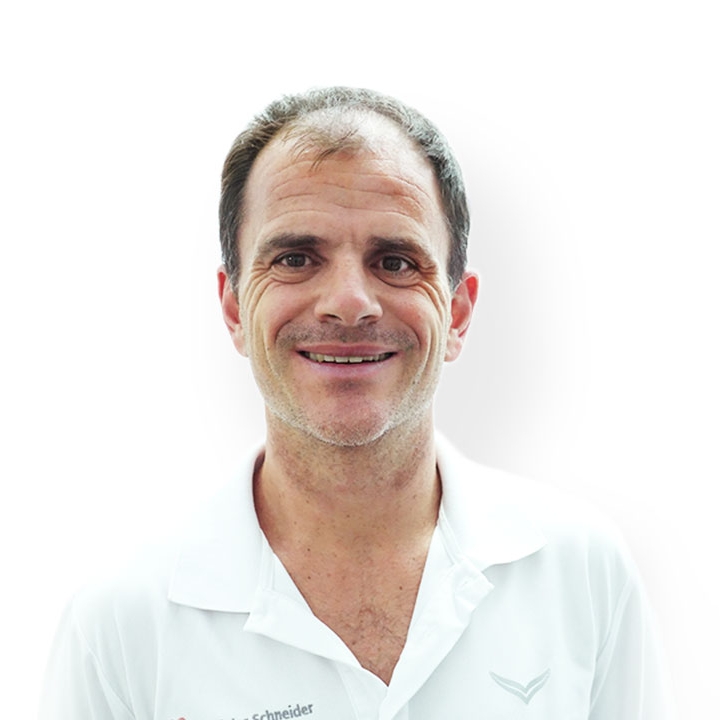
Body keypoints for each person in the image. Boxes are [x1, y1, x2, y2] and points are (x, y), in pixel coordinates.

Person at [40, 87, 672, 719]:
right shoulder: (122, 624)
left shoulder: (581, 574)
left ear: (457, 312)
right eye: (295, 258)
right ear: (233, 308)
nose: (349, 302)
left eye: (394, 261)